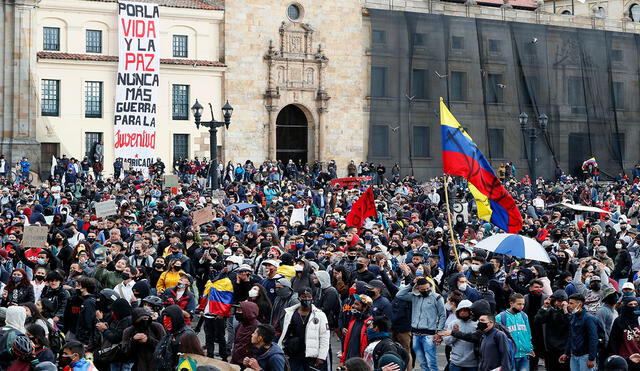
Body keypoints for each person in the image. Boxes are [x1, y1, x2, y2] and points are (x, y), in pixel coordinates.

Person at [396, 277, 446, 371]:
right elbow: (399, 294)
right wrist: (411, 284)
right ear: (418, 288)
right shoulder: (414, 296)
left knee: (431, 362)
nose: (426, 291)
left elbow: (443, 315)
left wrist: (439, 332)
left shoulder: (437, 297)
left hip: (429, 334)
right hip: (415, 333)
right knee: (422, 362)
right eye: (423, 289)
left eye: (428, 288)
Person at [279, 287, 330, 371]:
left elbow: (324, 336)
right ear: (299, 298)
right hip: (294, 354)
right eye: (303, 296)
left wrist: (321, 356)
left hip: (311, 355)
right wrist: (282, 348)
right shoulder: (290, 313)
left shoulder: (319, 315)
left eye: (309, 296)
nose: (306, 299)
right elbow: (285, 333)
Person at [154, 305, 204, 371]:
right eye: (164, 318)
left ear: (176, 318)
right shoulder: (172, 332)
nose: (166, 322)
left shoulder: (187, 335)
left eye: (169, 318)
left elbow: (195, 358)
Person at [560, 293, 599, 371]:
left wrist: (591, 358)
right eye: (569, 303)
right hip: (574, 355)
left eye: (571, 303)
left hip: (585, 356)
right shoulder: (573, 317)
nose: (569, 306)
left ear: (579, 304)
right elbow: (571, 336)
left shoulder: (588, 318)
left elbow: (593, 339)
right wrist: (566, 353)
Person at [495, 293, 533, 370]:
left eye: (523, 304)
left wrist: (530, 348)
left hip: (524, 354)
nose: (522, 306)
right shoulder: (500, 317)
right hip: (510, 355)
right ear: (511, 303)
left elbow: (528, 334)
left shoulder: (524, 316)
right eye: (519, 304)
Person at [443, 299, 478, 371]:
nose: (462, 313)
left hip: (473, 363)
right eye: (460, 310)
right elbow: (447, 342)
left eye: (465, 310)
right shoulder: (453, 324)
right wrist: (455, 334)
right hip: (456, 362)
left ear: (470, 311)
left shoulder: (476, 324)